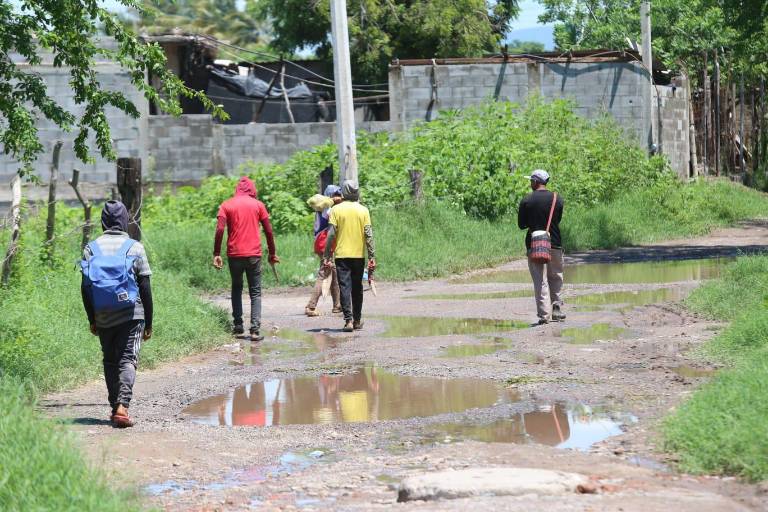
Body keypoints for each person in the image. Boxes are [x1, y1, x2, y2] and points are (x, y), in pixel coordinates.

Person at [81, 200, 153, 428]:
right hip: (132, 314)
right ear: (124, 220)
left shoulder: (91, 248)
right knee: (128, 359)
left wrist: (92, 318)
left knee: (110, 360)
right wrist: (149, 321)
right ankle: (122, 406)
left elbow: (85, 287)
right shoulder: (135, 247)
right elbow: (145, 286)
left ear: (103, 221)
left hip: (103, 313)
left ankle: (115, 407)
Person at [213, 176, 279, 341]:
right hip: (254, 255)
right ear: (252, 189)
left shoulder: (226, 205)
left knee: (236, 288)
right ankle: (255, 330)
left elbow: (220, 229)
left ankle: (238, 327)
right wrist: (272, 253)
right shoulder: (258, 205)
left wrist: (216, 253)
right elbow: (269, 231)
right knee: (255, 292)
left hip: (234, 254)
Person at [323, 179, 376, 332]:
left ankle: (348, 321)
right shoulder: (363, 210)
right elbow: (369, 235)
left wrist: (327, 255)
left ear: (344, 192)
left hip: (342, 256)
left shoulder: (336, 210)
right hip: (358, 255)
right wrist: (372, 256)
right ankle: (357, 320)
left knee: (345, 287)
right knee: (357, 287)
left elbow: (331, 235)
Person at [517, 169, 565, 325]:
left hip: (535, 244)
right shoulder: (557, 199)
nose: (530, 183)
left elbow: (521, 225)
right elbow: (557, 220)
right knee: (556, 276)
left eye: (531, 181)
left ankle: (544, 315)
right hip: (555, 242)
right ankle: (557, 308)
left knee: (540, 279)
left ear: (536, 182)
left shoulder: (527, 200)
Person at [305, 184, 343, 317]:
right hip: (324, 245)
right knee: (324, 274)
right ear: (331, 197)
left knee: (334, 274)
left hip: (322, 244)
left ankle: (337, 305)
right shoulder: (327, 208)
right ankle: (311, 306)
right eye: (337, 195)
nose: (339, 197)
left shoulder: (323, 206)